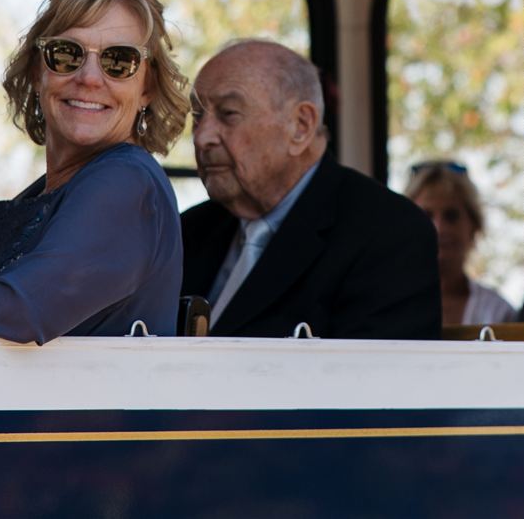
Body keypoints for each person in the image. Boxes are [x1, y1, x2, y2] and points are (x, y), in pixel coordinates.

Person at [0, 0, 186, 342]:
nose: (90, 77)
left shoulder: (127, 183)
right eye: (66, 54)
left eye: (119, 61)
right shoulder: (47, 192)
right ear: (38, 71)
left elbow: (23, 309)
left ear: (147, 88)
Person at [182, 40, 439, 339]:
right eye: (198, 116)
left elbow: (376, 381)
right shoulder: (189, 231)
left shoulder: (389, 234)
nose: (202, 138)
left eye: (228, 114)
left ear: (301, 126)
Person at [406, 159, 517, 326]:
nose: (439, 228)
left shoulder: (498, 312)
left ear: (473, 226)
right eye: (426, 216)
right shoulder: (385, 307)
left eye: (451, 216)